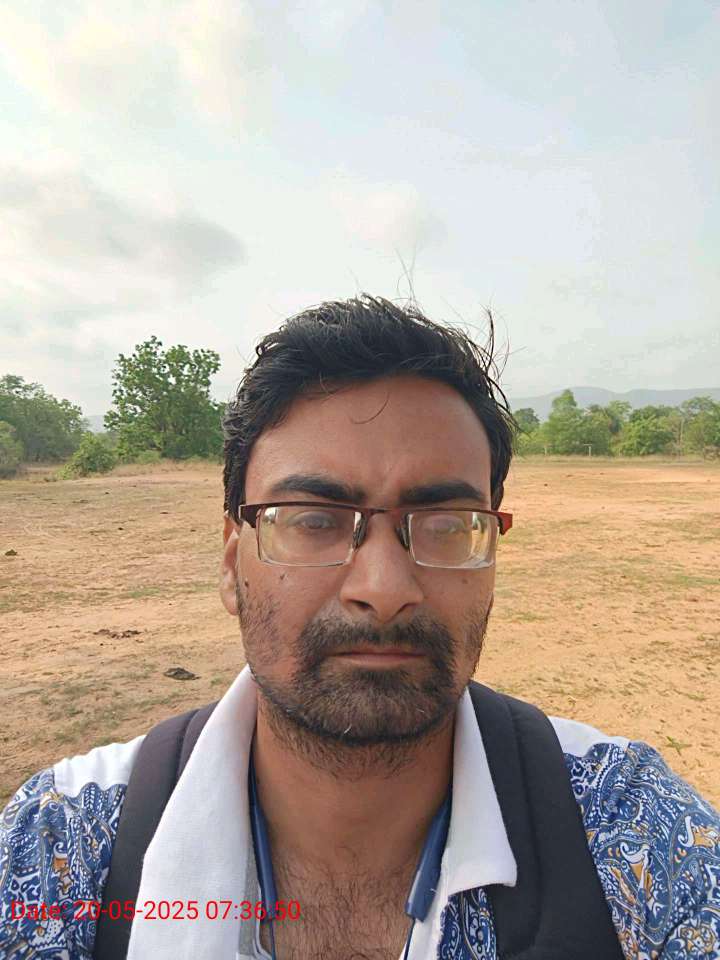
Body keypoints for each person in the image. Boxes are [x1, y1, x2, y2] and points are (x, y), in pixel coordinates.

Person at [1, 295, 719, 960]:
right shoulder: (64, 847)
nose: (383, 589)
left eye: (445, 524)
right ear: (231, 562)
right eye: (313, 520)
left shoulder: (631, 831)